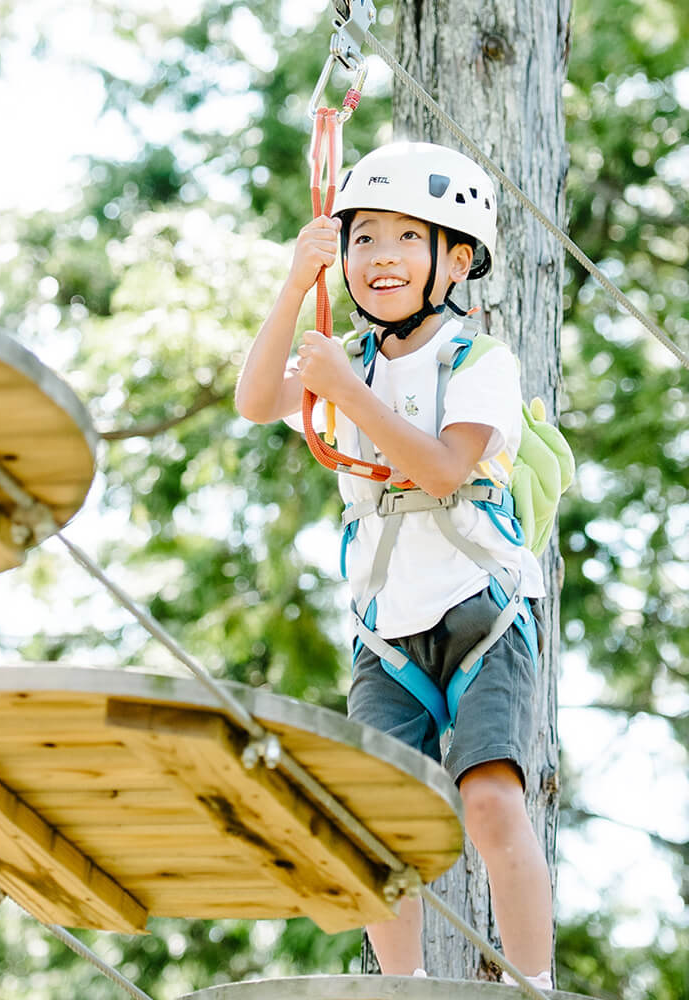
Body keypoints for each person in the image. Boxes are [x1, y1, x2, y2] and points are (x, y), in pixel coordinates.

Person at [235, 141, 554, 988]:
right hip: (388, 625)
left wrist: (345, 392)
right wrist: (294, 284)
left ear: (454, 259)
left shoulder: (476, 362)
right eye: (363, 237)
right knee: (378, 820)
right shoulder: (354, 360)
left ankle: (534, 984)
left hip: (481, 606)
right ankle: (402, 987)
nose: (379, 256)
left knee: (489, 801)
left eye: (406, 238)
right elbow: (257, 399)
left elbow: (447, 468)